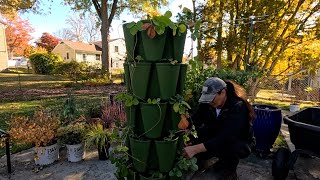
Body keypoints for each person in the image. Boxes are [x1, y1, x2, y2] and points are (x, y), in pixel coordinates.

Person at [183, 77, 256, 179]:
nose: (209, 102)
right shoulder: (208, 104)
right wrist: (187, 131)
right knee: (199, 137)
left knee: (231, 146)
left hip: (239, 141)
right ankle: (203, 162)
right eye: (207, 99)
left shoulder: (238, 106)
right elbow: (195, 120)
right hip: (218, 135)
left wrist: (195, 149)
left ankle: (228, 171)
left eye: (212, 98)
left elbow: (226, 137)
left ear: (223, 92)